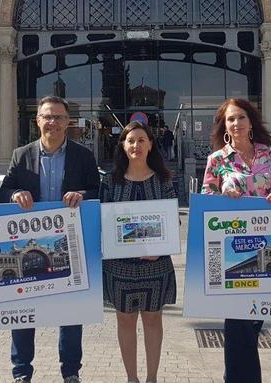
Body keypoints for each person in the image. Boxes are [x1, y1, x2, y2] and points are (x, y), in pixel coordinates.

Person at [0, 95, 100, 383]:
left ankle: (70, 372)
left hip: (68, 246)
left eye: (58, 117)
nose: (52, 122)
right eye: (47, 116)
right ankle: (21, 372)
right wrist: (14, 194)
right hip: (29, 248)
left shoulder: (84, 155)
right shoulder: (21, 155)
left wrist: (83, 195)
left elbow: (97, 191)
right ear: (37, 120)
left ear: (68, 122)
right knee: (23, 312)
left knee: (70, 313)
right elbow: (4, 192)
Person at [201, 98, 271, 383]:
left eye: (240, 118)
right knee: (238, 323)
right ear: (224, 126)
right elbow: (206, 202)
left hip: (267, 248)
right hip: (233, 252)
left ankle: (235, 377)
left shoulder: (267, 155)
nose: (235, 123)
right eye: (230, 119)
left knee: (254, 322)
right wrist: (223, 196)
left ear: (251, 121)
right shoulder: (217, 160)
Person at [102, 121, 177, 383]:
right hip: (119, 267)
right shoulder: (110, 181)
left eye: (141, 140)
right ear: (123, 145)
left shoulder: (164, 179)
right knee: (124, 321)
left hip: (155, 266)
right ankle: (131, 378)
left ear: (151, 145)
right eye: (131, 140)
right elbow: (104, 222)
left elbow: (172, 222)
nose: (136, 145)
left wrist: (161, 247)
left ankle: (152, 377)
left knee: (153, 319)